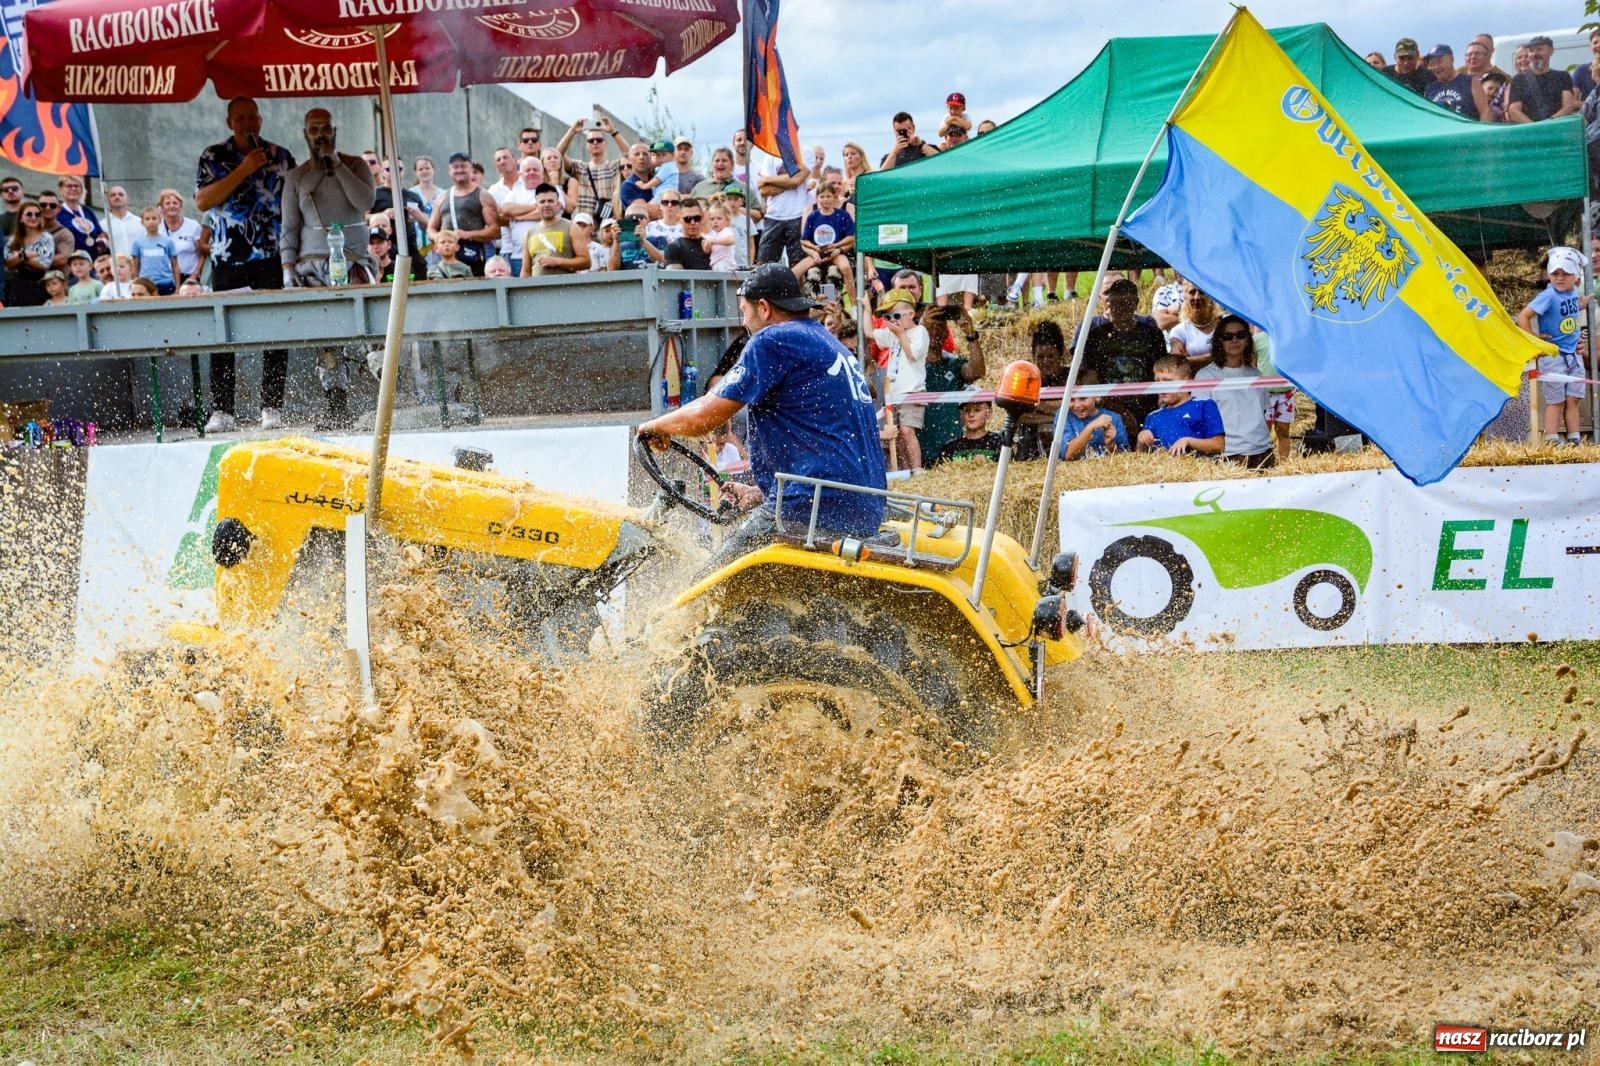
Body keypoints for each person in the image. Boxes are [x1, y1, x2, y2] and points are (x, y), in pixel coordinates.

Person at [635, 263, 885, 573]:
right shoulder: (825, 340)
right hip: (860, 507)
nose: (744, 322)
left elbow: (705, 417)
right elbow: (824, 434)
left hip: (812, 506)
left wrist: (654, 426)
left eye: (744, 311)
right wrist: (761, 493)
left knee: (709, 587)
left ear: (764, 308)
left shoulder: (774, 340)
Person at [195, 95, 296, 432]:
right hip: (228, 259)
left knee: (274, 329)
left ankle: (272, 406)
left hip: (269, 256)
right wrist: (244, 169)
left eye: (252, 117)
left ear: (260, 120)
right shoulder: (214, 155)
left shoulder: (281, 156)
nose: (247, 123)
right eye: (240, 118)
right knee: (224, 332)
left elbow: (294, 202)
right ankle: (223, 410)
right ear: (230, 123)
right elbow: (203, 200)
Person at [280, 107, 376, 287]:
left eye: (326, 129)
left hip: (353, 263)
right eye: (313, 130)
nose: (320, 136)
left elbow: (365, 202)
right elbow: (289, 227)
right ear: (305, 134)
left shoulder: (356, 165)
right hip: (311, 267)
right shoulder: (296, 177)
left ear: (335, 132)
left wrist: (337, 164)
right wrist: (287, 266)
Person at [1517, 246, 1590, 445]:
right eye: (1555, 273)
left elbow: (1571, 309)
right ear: (1549, 275)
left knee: (1573, 398)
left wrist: (1582, 303)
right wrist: (1535, 341)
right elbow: (1523, 316)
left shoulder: (1573, 292)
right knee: (1556, 400)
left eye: (1566, 273)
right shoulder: (1548, 296)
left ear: (1576, 277)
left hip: (1573, 355)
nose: (1560, 278)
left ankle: (1574, 439)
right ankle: (1552, 439)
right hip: (1554, 355)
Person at [1081, 277, 1167, 436]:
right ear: (1108, 303)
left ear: (1136, 303)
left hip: (1147, 403)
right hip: (1107, 406)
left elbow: (1162, 371)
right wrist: (1116, 409)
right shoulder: (1096, 336)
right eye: (1116, 304)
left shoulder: (1152, 334)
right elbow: (1090, 378)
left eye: (1126, 303)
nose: (1120, 309)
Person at [1195, 314, 1273, 467]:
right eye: (1227, 336)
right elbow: (1200, 421)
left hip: (1262, 453)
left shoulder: (1256, 375)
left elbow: (1264, 414)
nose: (1234, 340)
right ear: (1219, 341)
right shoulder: (1204, 376)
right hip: (1227, 456)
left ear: (1248, 340)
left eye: (1241, 335)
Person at [916, 304, 987, 460]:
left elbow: (977, 371)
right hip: (922, 450)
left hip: (953, 452)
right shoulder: (912, 365)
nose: (935, 332)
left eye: (940, 327)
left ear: (946, 333)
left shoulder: (953, 363)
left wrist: (970, 334)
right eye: (930, 328)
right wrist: (921, 329)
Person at [873, 288, 929, 471]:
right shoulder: (893, 334)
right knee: (895, 436)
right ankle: (905, 470)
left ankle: (917, 468)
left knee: (907, 431)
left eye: (896, 315)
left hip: (912, 391)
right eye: (888, 318)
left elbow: (913, 354)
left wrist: (900, 335)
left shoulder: (920, 331)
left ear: (911, 314)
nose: (892, 321)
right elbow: (869, 332)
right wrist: (866, 307)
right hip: (894, 393)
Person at [429, 152, 500, 276]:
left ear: (471, 169)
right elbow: (430, 228)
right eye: (455, 167)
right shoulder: (442, 197)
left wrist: (467, 235)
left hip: (473, 256)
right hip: (445, 260)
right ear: (449, 170)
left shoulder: (483, 195)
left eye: (463, 166)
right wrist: (441, 238)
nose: (459, 170)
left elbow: (495, 230)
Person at [1137, 357, 1225, 456]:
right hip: (1161, 470)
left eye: (1168, 381)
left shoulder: (1204, 405)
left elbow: (1219, 445)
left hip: (1197, 470)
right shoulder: (1152, 417)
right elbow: (1141, 458)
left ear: (1186, 382)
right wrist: (1141, 443)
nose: (1161, 387)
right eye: (1157, 381)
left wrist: (1188, 441)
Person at [555, 116, 631, 221]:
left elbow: (630, 155)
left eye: (599, 140)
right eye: (591, 140)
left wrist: (613, 131)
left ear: (605, 144)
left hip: (608, 224)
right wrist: (572, 131)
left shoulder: (615, 166)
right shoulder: (580, 167)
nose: (595, 142)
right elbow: (557, 154)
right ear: (586, 145)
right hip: (583, 224)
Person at [793, 181, 855, 294]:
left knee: (844, 268)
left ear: (834, 197)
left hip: (836, 253)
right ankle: (799, 305)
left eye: (828, 196)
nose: (825, 199)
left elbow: (851, 238)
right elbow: (804, 240)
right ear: (817, 198)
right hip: (817, 253)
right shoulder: (812, 216)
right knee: (793, 273)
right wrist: (814, 250)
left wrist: (837, 247)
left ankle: (854, 306)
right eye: (822, 196)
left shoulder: (842, 215)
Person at [494, 155, 547, 278]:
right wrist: (535, 206)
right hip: (519, 256)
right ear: (521, 174)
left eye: (535, 169)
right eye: (527, 170)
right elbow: (506, 209)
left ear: (542, 172)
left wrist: (519, 216)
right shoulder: (514, 193)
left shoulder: (551, 190)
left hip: (546, 256)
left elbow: (545, 213)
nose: (531, 173)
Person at [754, 151, 810, 266]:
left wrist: (768, 179)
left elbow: (797, 181)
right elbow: (764, 190)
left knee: (797, 264)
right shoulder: (769, 156)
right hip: (773, 216)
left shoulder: (805, 152)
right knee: (763, 264)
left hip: (798, 215)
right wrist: (791, 181)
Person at [1509, 35, 1578, 123]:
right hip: (1530, 131)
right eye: (1531, 50)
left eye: (1539, 49)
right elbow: (1514, 110)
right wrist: (1535, 127)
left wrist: (1548, 123)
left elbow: (1568, 106)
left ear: (1551, 51)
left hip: (1557, 128)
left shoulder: (1562, 76)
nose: (1534, 54)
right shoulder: (1519, 79)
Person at [521, 186, 588, 277]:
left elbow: (586, 262)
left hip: (565, 288)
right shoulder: (529, 233)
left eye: (550, 201)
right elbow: (526, 272)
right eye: (542, 202)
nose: (546, 205)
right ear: (536, 206)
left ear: (558, 205)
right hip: (538, 290)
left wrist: (557, 262)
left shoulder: (572, 227)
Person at [4, 201, 55, 307]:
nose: (33, 217)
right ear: (21, 218)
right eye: (29, 214)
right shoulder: (13, 239)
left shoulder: (46, 237)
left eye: (37, 214)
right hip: (19, 285)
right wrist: (27, 254)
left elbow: (44, 264)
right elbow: (7, 263)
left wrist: (19, 256)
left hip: (40, 283)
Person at [157, 188, 210, 286]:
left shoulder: (193, 226)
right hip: (165, 280)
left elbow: (203, 253)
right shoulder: (157, 228)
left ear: (180, 206)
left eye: (175, 203)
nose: (171, 206)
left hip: (190, 278)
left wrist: (196, 273)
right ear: (162, 208)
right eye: (167, 203)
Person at [934, 397, 1006, 464]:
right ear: (961, 415)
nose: (971, 414)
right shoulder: (950, 447)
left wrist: (989, 465)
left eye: (977, 410)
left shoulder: (999, 442)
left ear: (989, 413)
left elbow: (1010, 469)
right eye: (966, 410)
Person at [1058, 393, 1129, 460]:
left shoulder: (1113, 418)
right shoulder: (1064, 416)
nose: (1077, 405)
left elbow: (1125, 458)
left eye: (1083, 398)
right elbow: (1068, 455)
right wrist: (1091, 427)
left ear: (1097, 397)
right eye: (1071, 400)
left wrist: (1111, 445)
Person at [1423, 44, 1484, 119]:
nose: (1436, 67)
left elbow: (1484, 111)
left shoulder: (1471, 81)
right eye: (1432, 64)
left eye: (1439, 61)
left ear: (1452, 59)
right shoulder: (1430, 89)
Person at [1168, 281, 1221, 368]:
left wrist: (1191, 360)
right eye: (1192, 292)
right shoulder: (1179, 331)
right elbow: (1177, 363)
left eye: (1202, 292)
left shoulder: (1225, 324)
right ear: (1185, 296)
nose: (1197, 297)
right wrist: (1215, 356)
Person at [54, 175, 107, 258]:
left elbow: (100, 234)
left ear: (82, 190)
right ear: (61, 189)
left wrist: (102, 241)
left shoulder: (88, 211)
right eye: (69, 186)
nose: (73, 189)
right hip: (72, 263)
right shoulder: (57, 212)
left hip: (93, 262)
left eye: (77, 186)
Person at [131, 206, 179, 296]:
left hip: (165, 282)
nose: (151, 222)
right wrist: (135, 283)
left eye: (154, 218)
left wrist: (178, 287)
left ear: (160, 220)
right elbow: (135, 266)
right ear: (142, 222)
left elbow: (175, 265)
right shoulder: (138, 243)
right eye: (147, 219)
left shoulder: (168, 242)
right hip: (146, 284)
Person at [663, 199, 712, 270]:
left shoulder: (710, 244)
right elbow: (674, 279)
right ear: (679, 219)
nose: (693, 222)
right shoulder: (674, 247)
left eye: (697, 218)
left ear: (702, 217)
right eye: (687, 219)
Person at [101, 185, 145, 259]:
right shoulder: (102, 225)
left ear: (127, 199)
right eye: (113, 195)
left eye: (121, 194)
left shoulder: (140, 222)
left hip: (139, 267)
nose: (117, 197)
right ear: (108, 200)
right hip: (116, 268)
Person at [619, 141, 661, 217]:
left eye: (645, 154)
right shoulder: (628, 185)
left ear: (650, 158)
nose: (641, 157)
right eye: (637, 154)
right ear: (629, 160)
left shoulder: (658, 180)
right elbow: (653, 212)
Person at [704, 206, 737, 272]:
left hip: (725, 263)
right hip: (715, 263)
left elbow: (731, 240)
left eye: (719, 218)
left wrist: (714, 241)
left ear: (727, 221)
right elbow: (707, 251)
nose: (715, 221)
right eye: (712, 219)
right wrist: (706, 245)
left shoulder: (726, 230)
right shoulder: (713, 234)